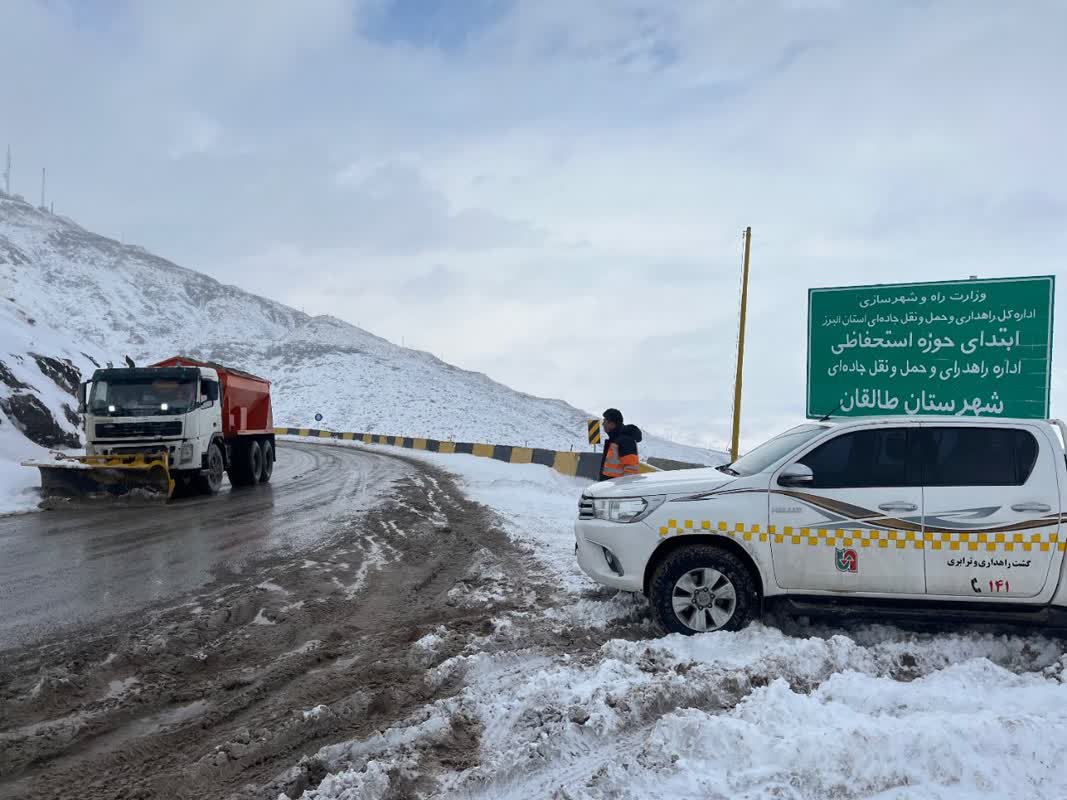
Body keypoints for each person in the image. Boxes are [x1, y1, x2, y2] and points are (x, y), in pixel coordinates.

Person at [599, 408, 642, 480]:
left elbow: (631, 471)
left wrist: (621, 489)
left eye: (605, 421)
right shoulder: (615, 439)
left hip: (616, 488)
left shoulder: (626, 440)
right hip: (609, 486)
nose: (603, 424)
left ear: (612, 423)